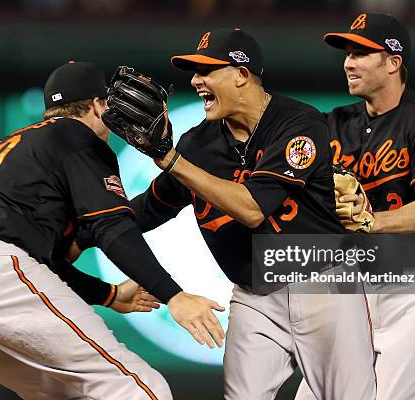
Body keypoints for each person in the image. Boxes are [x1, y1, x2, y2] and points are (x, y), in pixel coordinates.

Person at [0, 61, 225, 400]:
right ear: (99, 106)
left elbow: (46, 263)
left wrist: (108, 295)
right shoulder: (76, 136)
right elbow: (111, 226)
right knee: (139, 388)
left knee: (72, 394)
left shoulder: (28, 143)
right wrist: (174, 295)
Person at [127, 29, 376, 400]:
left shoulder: (299, 125)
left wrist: (170, 160)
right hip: (255, 296)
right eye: (195, 71)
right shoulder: (197, 144)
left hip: (324, 287)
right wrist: (76, 225)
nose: (196, 80)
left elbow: (252, 208)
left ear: (242, 74)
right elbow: (147, 210)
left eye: (208, 70)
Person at [295, 13, 415, 400]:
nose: (348, 62)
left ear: (393, 62)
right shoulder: (335, 123)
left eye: (361, 53)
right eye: (347, 53)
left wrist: (369, 222)